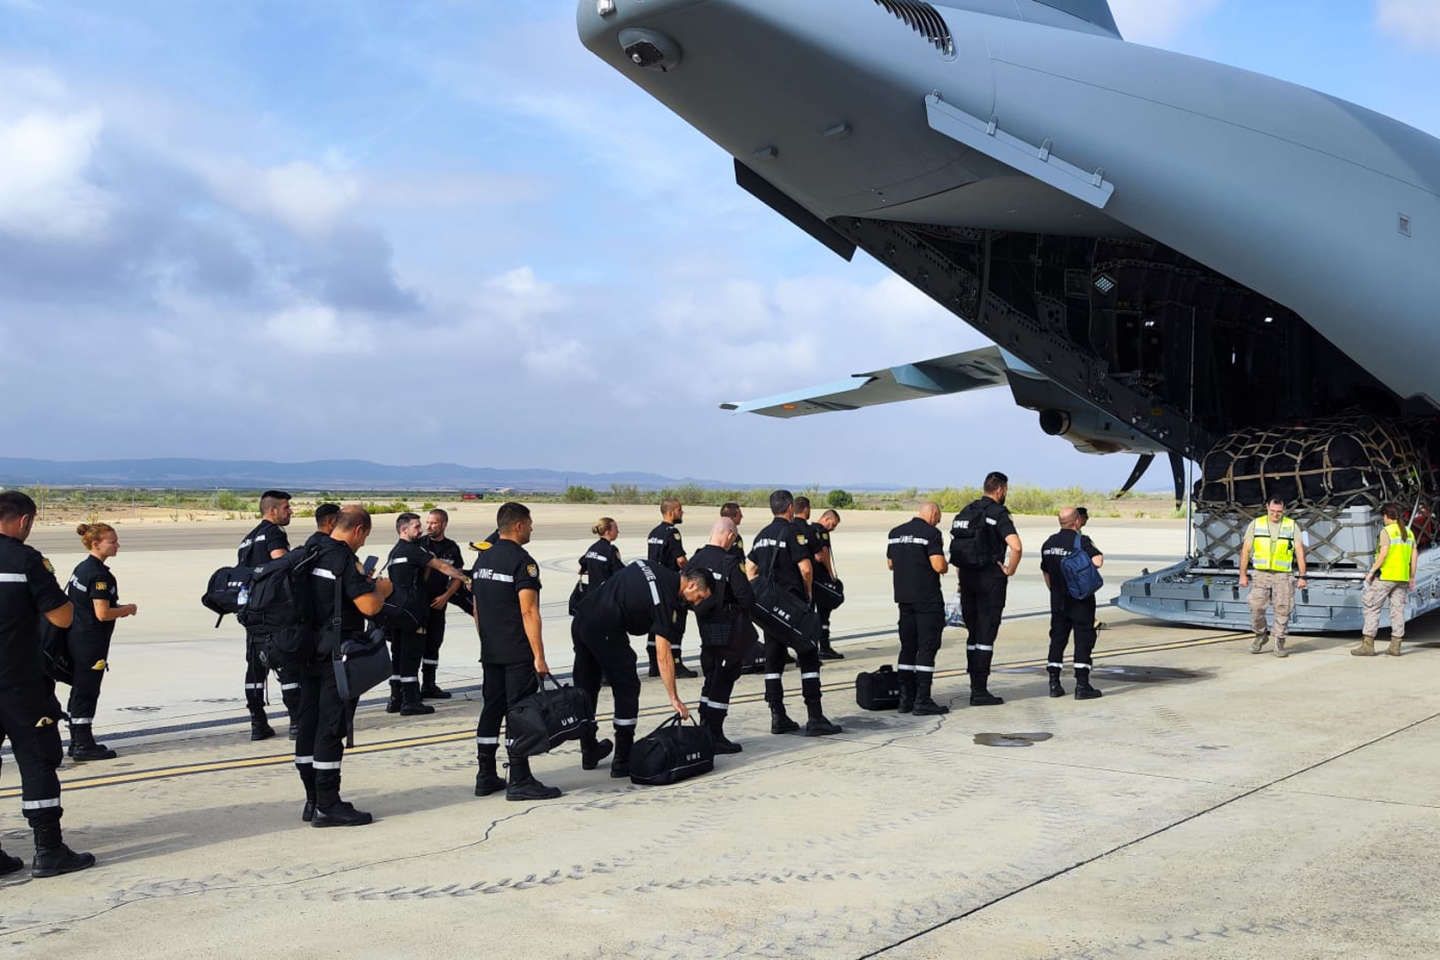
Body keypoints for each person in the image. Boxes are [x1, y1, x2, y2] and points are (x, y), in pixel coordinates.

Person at [0, 491, 94, 876]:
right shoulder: (25, 560)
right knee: (36, 760)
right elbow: (61, 617)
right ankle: (49, 849)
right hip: (19, 681)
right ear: (24, 521)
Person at [571, 559, 713, 777]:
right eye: (700, 598)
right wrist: (674, 697)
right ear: (692, 585)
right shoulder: (666, 600)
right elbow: (663, 654)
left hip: (582, 617)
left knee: (587, 688)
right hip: (605, 626)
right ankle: (622, 759)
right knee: (627, 686)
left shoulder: (651, 567)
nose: (696, 604)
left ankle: (588, 750)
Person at [298, 505, 392, 826]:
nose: (363, 544)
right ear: (358, 531)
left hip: (305, 650)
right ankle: (328, 803)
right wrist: (380, 589)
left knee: (308, 725)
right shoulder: (342, 560)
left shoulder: (310, 548)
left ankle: (312, 798)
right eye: (364, 537)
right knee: (330, 728)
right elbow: (368, 606)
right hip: (334, 656)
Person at [470, 502, 563, 801]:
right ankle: (520, 777)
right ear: (519, 525)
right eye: (530, 523)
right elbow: (529, 612)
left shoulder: (483, 560)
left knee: (492, 708)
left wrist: (486, 638)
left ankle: (485, 774)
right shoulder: (523, 562)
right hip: (516, 652)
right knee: (520, 712)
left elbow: (476, 607)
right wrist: (539, 656)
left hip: (491, 649)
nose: (532, 528)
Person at [748, 489, 842, 736]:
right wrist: (808, 594)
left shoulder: (762, 535)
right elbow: (806, 568)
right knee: (809, 656)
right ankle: (815, 716)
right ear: (789, 508)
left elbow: (751, 568)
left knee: (773, 660)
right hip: (793, 604)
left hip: (771, 610)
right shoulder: (792, 532)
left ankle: (777, 715)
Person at [63, 523, 137, 761]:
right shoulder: (99, 576)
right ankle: (83, 743)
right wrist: (126, 609)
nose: (117, 545)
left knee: (79, 689)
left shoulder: (82, 568)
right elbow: (102, 613)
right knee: (87, 690)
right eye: (112, 541)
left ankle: (77, 740)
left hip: (76, 637)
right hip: (90, 641)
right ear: (96, 544)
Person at [381, 513, 468, 715]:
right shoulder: (414, 550)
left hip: (397, 610)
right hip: (413, 610)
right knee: (411, 655)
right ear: (404, 530)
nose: (422, 530)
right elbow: (442, 566)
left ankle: (396, 698)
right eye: (417, 527)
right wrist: (465, 578)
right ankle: (411, 701)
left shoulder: (395, 552)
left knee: (399, 654)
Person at [950, 472, 1021, 706]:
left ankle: (974, 684)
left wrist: (961, 581)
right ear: (1000, 490)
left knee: (973, 635)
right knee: (986, 635)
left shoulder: (967, 511)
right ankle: (980, 691)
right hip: (990, 580)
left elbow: (960, 553)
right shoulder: (997, 513)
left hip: (968, 580)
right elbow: (1016, 546)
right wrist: (1010, 569)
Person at [237, 490, 299, 740]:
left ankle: (257, 722)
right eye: (286, 507)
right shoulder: (273, 533)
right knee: (287, 666)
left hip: (251, 613)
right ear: (272, 511)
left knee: (255, 669)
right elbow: (281, 563)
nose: (290, 511)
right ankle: (297, 722)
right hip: (275, 612)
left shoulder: (247, 539)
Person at [689, 518, 754, 752]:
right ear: (728, 535)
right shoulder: (729, 562)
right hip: (728, 631)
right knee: (723, 682)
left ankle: (706, 727)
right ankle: (715, 734)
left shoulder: (695, 560)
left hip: (706, 631)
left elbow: (686, 596)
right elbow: (746, 598)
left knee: (710, 678)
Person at [886, 503, 949, 715]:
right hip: (927, 599)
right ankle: (922, 699)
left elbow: (890, 564)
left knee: (907, 647)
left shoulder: (895, 533)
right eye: (938, 517)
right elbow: (939, 565)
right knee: (927, 648)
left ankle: (906, 699)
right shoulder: (931, 533)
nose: (938, 521)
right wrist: (946, 566)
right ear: (932, 514)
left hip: (904, 599)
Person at [1039, 508, 1105, 699]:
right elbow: (1098, 561)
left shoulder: (1048, 543)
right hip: (1080, 599)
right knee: (1083, 639)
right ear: (1076, 521)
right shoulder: (1081, 541)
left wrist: (1054, 591)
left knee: (1058, 638)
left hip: (1058, 599)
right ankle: (1082, 686)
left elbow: (1046, 572)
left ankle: (1054, 684)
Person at [1239, 496, 1309, 658]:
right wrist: (1242, 575)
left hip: (1283, 575)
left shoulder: (1291, 525)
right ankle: (1260, 634)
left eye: (1279, 512)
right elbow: (1245, 551)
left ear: (1284, 510)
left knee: (1283, 609)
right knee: (1256, 607)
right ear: (1267, 508)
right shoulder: (1256, 524)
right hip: (1261, 574)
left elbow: (1299, 551)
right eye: (1273, 511)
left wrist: (1302, 576)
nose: (1276, 514)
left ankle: (1279, 641)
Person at [1355, 502, 1418, 657]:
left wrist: (1371, 572)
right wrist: (1411, 577)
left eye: (1383, 516)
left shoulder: (1386, 531)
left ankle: (1368, 645)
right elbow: (1414, 555)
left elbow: (1383, 554)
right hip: (1402, 578)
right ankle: (1395, 646)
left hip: (1386, 577)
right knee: (1397, 611)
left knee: (1371, 606)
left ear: (1386, 516)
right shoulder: (1408, 532)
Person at [646, 497, 696, 679]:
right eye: (680, 510)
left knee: (655, 622)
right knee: (675, 623)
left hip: (654, 584)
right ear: (671, 511)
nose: (682, 513)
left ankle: (654, 664)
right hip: (669, 584)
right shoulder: (672, 533)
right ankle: (675, 662)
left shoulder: (653, 533)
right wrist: (693, 573)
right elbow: (680, 560)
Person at [421, 508, 466, 699]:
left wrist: (446, 596)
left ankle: (429, 685)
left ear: (444, 524)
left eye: (434, 523)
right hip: (419, 603)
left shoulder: (452, 548)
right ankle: (410, 687)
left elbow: (458, 576)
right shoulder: (420, 544)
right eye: (428, 522)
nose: (429, 526)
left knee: (434, 643)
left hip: (439, 602)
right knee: (415, 645)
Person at [811, 507, 844, 660]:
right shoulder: (822, 532)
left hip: (810, 579)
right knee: (824, 613)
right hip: (820, 577)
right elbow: (823, 555)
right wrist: (831, 575)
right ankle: (824, 646)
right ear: (826, 519)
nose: (833, 528)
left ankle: (813, 646)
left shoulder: (808, 529)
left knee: (812, 613)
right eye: (833, 524)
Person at [578, 517, 625, 593]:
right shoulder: (611, 550)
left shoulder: (592, 548)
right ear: (607, 532)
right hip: (605, 595)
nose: (618, 531)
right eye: (615, 528)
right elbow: (619, 571)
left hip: (592, 595)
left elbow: (582, 561)